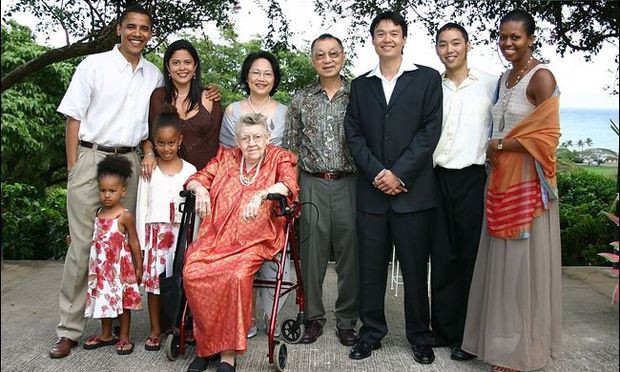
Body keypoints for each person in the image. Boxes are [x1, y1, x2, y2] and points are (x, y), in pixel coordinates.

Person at [50, 5, 163, 359]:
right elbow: (73, 119)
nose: (137, 33)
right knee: (82, 248)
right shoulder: (93, 65)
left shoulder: (153, 74)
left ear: (149, 34)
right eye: (131, 26)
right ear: (119, 29)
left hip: (129, 160)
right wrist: (74, 167)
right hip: (90, 156)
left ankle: (112, 326)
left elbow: (150, 127)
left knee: (119, 249)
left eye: (144, 28)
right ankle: (69, 330)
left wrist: (147, 152)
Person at [461, 9, 562, 372]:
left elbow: (548, 138)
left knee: (522, 272)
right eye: (503, 37)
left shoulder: (541, 77)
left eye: (515, 37)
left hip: (528, 187)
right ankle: (502, 345)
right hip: (500, 182)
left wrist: (500, 146)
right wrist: (497, 150)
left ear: (531, 38)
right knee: (501, 270)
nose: (507, 43)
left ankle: (522, 354)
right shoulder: (505, 78)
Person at [344, 11, 442, 364]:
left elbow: (430, 131)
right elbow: (353, 134)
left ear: (404, 39)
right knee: (370, 269)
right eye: (380, 33)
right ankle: (371, 333)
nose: (387, 38)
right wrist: (377, 173)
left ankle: (419, 335)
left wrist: (399, 174)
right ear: (372, 39)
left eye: (394, 33)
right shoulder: (361, 84)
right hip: (371, 194)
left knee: (416, 269)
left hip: (412, 193)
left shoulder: (427, 79)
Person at [182, 113, 299, 372]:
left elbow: (289, 185)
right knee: (193, 272)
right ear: (237, 140)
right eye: (245, 138)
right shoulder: (226, 158)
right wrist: (200, 189)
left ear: (267, 137)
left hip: (256, 239)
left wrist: (261, 194)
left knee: (235, 277)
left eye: (258, 137)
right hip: (217, 238)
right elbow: (198, 178)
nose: (252, 142)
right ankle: (206, 347)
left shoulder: (278, 158)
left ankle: (227, 354)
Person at [282, 33, 359, 346]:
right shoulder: (301, 98)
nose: (327, 60)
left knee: (350, 256)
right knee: (311, 255)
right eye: (320, 55)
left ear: (343, 56)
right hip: (312, 182)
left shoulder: (358, 95)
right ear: (312, 59)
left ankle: (347, 321)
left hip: (350, 183)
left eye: (333, 54)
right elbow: (291, 147)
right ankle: (312, 317)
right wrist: (293, 188)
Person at [429, 23, 497, 361]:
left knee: (471, 258)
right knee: (442, 256)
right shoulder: (431, 85)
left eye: (456, 43)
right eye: (443, 44)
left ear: (468, 45)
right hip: (437, 177)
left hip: (473, 177)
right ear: (437, 49)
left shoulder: (489, 83)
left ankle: (468, 337)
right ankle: (442, 329)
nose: (450, 49)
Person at [220, 50, 289, 338]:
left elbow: (289, 155)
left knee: (268, 252)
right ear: (246, 76)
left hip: (273, 193)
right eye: (256, 72)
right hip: (238, 192)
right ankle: (239, 317)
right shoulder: (232, 111)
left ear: (274, 79)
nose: (261, 78)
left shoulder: (286, 111)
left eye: (268, 73)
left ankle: (266, 313)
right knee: (233, 253)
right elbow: (225, 157)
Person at [136, 104, 197, 351]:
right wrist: (141, 245)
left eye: (171, 143)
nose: (166, 148)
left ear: (179, 140)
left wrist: (197, 237)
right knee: (155, 284)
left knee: (181, 281)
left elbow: (196, 208)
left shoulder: (191, 171)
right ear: (154, 143)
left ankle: (177, 325)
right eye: (160, 143)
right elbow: (141, 207)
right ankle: (154, 329)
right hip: (155, 234)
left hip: (181, 235)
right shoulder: (149, 171)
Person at [83, 155, 143, 355]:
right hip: (101, 269)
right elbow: (96, 238)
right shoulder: (98, 212)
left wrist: (139, 266)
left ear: (123, 191)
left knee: (122, 302)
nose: (107, 195)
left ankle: (124, 335)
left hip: (119, 269)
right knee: (103, 299)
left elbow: (134, 241)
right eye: (103, 190)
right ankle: (106, 334)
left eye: (112, 190)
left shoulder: (124, 215)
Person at [142, 39, 223, 179]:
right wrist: (148, 155)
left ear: (195, 65)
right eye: (176, 63)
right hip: (167, 176)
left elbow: (220, 143)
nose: (182, 68)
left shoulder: (210, 97)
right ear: (168, 67)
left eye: (187, 62)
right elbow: (148, 137)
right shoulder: (159, 97)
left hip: (206, 178)